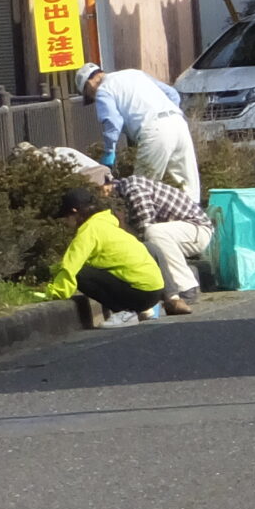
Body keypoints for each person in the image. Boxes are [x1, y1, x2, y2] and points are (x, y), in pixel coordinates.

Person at [42, 185, 168, 327]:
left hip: (141, 293)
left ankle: (123, 312)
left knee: (80, 273)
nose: (66, 222)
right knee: (90, 269)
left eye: (66, 217)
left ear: (74, 212)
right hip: (154, 289)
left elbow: (70, 267)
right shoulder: (105, 224)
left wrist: (55, 293)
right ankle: (141, 310)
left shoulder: (89, 231)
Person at [78, 62, 201, 197]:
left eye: (89, 96)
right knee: (188, 187)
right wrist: (168, 118)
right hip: (178, 123)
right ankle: (197, 210)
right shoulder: (134, 74)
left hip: (155, 131)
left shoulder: (103, 90)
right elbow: (172, 94)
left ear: (89, 84)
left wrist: (109, 152)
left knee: (139, 189)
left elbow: (113, 122)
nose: (93, 99)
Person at [105, 169, 213, 316]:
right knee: (151, 236)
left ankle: (185, 288)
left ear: (107, 185)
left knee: (153, 233)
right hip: (179, 231)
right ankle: (172, 289)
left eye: (98, 190)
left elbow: (145, 226)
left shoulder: (133, 188)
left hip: (197, 228)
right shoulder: (121, 195)